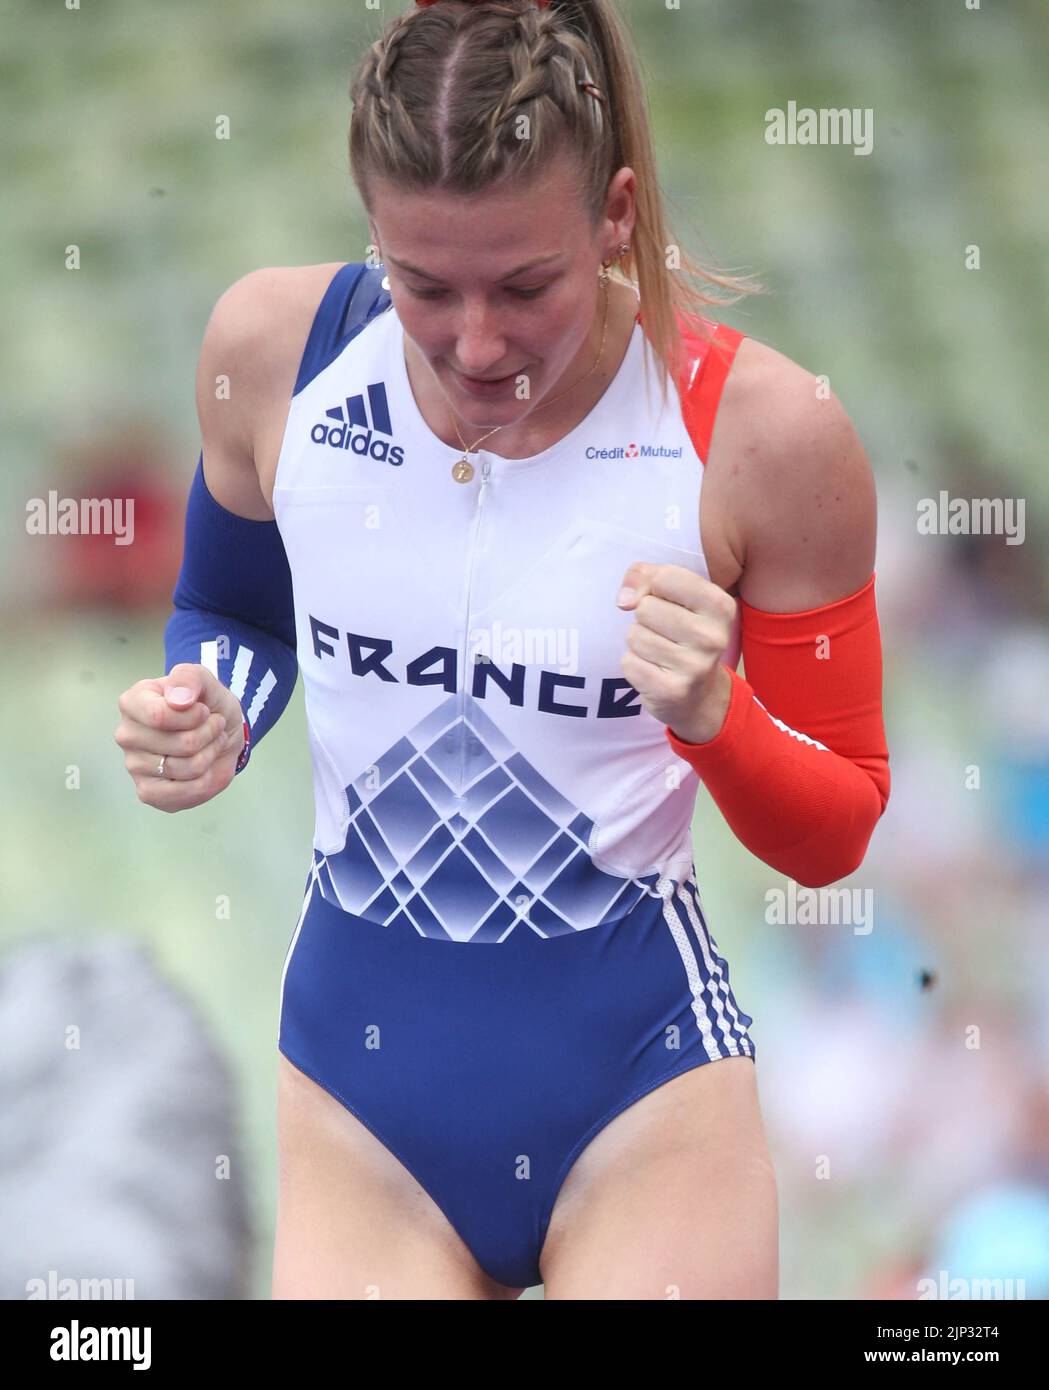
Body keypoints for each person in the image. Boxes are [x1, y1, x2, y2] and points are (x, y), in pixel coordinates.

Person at [114, 0, 889, 1300]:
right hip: (361, 1104)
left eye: (525, 286)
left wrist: (717, 718)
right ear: (372, 230)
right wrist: (213, 706)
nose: (475, 343)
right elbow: (235, 613)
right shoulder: (270, 352)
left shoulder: (764, 437)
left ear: (615, 211)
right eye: (424, 286)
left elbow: (838, 828)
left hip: (640, 1096)